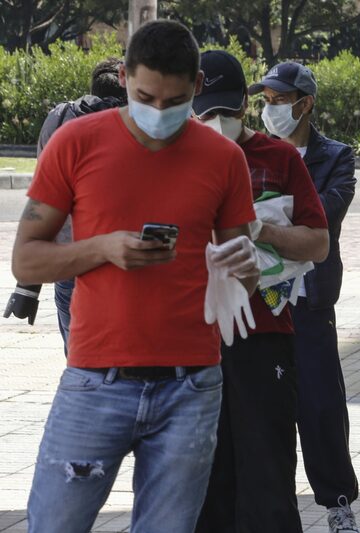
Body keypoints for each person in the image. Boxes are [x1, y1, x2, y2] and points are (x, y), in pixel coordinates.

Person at [14, 21, 260, 532]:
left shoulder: (224, 158)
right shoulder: (76, 142)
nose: (159, 112)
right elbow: (26, 260)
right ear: (124, 77)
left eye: (176, 102)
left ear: (197, 86)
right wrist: (102, 248)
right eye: (146, 97)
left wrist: (242, 271)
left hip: (190, 386)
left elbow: (240, 272)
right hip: (96, 380)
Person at [192, 52, 330, 533]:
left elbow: (318, 242)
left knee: (267, 466)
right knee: (207, 472)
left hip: (264, 331)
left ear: (243, 106)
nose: (218, 121)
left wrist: (259, 229)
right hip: (197, 339)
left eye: (227, 110)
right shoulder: (177, 157)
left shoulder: (279, 158)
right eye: (207, 112)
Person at [247, 61, 360, 533]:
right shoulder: (251, 153)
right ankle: (271, 510)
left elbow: (322, 216)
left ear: (305, 104)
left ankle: (338, 504)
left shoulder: (336, 157)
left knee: (321, 407)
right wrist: (282, 222)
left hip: (310, 300)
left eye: (279, 100)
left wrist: (268, 220)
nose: (269, 108)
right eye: (266, 100)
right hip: (258, 301)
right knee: (262, 410)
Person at [4, 58, 127, 351]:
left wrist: (28, 287)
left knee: (79, 356)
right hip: (126, 259)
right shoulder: (139, 122)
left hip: (70, 260)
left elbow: (45, 197)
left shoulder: (60, 119)